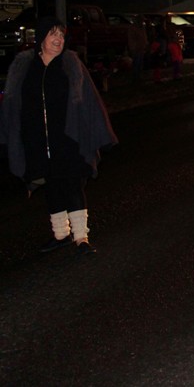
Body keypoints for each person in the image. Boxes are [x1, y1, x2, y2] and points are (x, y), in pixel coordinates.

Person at [0, 17, 118, 255]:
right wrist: (11, 136)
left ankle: (81, 238)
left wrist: (98, 133)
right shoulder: (25, 66)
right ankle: (61, 235)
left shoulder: (70, 65)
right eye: (53, 34)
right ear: (41, 39)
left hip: (67, 138)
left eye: (62, 35)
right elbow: (13, 103)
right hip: (37, 140)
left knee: (72, 185)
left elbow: (90, 101)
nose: (58, 39)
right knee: (51, 185)